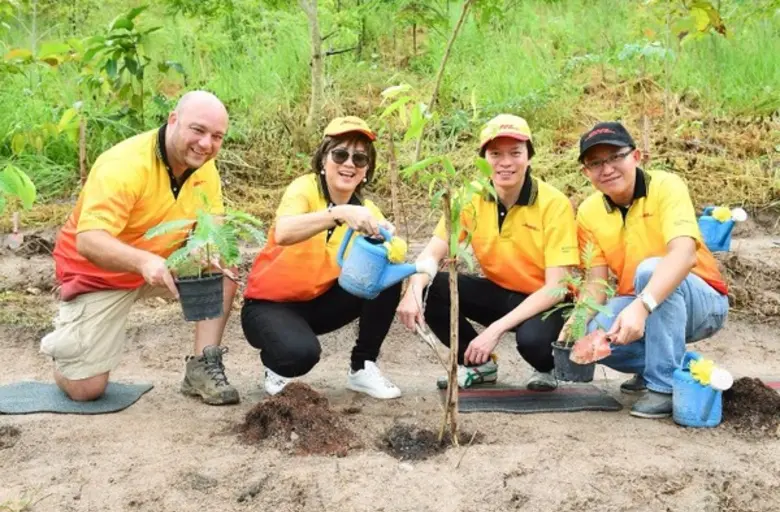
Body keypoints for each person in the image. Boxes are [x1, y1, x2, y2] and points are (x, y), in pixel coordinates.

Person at [40, 91, 240, 405]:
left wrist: (207, 244)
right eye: (198, 131)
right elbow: (89, 239)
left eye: (217, 136)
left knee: (223, 268)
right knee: (86, 390)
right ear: (173, 119)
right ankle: (66, 352)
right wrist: (144, 261)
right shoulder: (124, 165)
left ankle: (203, 366)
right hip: (99, 275)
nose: (206, 144)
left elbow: (213, 220)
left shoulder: (204, 165)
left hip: (164, 265)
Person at [397, 114, 579, 390]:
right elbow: (432, 253)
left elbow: (556, 287)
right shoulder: (469, 198)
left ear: (529, 156)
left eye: (515, 153)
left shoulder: (554, 203)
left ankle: (546, 367)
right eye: (495, 154)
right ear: (483, 159)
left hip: (546, 301)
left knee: (533, 343)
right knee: (431, 287)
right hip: (500, 291)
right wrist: (413, 290)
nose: (505, 163)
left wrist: (495, 330)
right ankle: (478, 366)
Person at [572, 121, 729, 418]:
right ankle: (676, 365)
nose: (607, 169)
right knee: (595, 330)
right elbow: (596, 281)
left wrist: (642, 306)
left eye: (616, 156)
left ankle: (664, 386)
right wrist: (578, 320)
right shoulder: (588, 212)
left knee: (649, 270)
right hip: (643, 304)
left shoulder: (666, 186)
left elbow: (684, 256)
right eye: (595, 163)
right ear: (586, 172)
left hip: (703, 300)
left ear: (636, 156)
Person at [241, 116, 403, 399]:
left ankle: (363, 366)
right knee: (300, 355)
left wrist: (387, 241)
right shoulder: (304, 189)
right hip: (270, 306)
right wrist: (338, 214)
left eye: (360, 158)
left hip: (322, 304)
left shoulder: (367, 209)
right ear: (323, 160)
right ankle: (276, 366)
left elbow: (396, 254)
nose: (349, 163)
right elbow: (283, 232)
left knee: (385, 273)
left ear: (367, 170)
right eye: (340, 154)